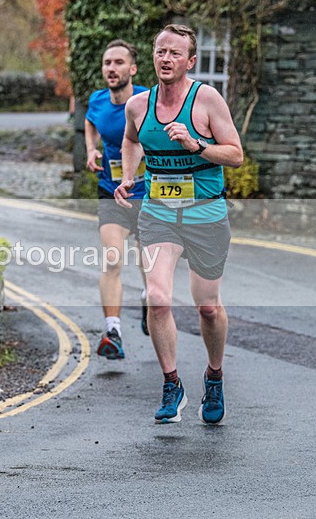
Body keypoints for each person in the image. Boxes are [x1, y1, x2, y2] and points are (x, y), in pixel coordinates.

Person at [114, 24, 243, 425]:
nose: (166, 58)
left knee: (208, 307)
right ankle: (172, 384)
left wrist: (196, 144)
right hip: (159, 214)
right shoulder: (138, 105)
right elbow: (131, 140)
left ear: (190, 61)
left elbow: (236, 154)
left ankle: (214, 375)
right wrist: (129, 176)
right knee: (157, 297)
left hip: (206, 215)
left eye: (175, 53)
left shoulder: (207, 100)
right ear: (152, 57)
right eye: (160, 51)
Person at [84, 39, 150, 361]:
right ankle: (113, 332)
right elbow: (89, 121)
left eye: (119, 62)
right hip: (111, 191)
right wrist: (91, 149)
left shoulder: (148, 100)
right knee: (112, 259)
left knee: (149, 264)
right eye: (107, 63)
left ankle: (150, 298)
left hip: (148, 193)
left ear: (132, 69)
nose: (112, 68)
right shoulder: (97, 100)